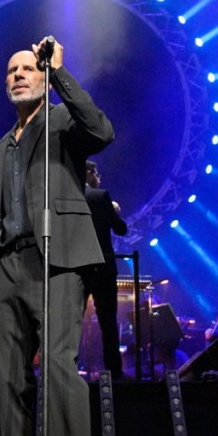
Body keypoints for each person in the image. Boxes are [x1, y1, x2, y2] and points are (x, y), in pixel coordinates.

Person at [0, 37, 113, 436]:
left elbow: (102, 130)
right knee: (7, 380)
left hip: (59, 259)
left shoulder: (62, 120)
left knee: (58, 369)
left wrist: (61, 73)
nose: (18, 75)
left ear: (44, 78)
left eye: (28, 68)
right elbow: (6, 213)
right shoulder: (1, 146)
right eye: (12, 71)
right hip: (9, 266)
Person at [82, 159, 128, 380]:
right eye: (97, 173)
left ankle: (65, 373)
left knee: (71, 323)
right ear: (89, 173)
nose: (99, 178)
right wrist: (113, 211)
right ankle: (114, 375)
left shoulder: (63, 196)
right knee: (108, 324)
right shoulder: (101, 196)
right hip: (102, 267)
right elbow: (121, 230)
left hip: (76, 269)